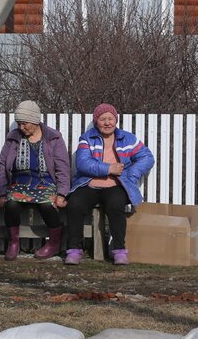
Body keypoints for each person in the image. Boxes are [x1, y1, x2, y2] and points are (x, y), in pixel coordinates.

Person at [63, 103, 155, 266]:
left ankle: (119, 250)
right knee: (74, 204)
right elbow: (82, 163)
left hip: (116, 186)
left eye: (110, 119)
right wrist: (109, 168)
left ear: (116, 120)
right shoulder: (87, 138)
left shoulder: (128, 138)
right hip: (89, 184)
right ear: (96, 121)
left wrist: (131, 175)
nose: (107, 123)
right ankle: (74, 250)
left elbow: (147, 157)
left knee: (115, 205)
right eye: (102, 119)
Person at [0, 100, 70, 261]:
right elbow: (2, 166)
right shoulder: (13, 138)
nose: (21, 127)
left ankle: (54, 243)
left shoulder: (53, 138)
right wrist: (1, 192)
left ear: (35, 120)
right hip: (19, 184)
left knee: (47, 204)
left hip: (45, 183)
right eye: (19, 123)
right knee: (11, 204)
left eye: (25, 123)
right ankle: (13, 243)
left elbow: (63, 167)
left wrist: (62, 193)